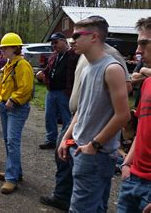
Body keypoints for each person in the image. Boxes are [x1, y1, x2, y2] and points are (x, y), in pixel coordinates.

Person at [40, 39, 133, 211]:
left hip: (91, 126)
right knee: (64, 152)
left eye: (77, 36)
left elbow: (125, 88)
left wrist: (96, 107)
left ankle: (67, 196)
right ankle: (63, 195)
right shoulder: (84, 57)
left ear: (94, 37)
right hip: (76, 120)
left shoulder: (111, 57)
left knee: (83, 169)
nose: (72, 41)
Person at [0, 32, 34, 194]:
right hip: (4, 106)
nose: (2, 50)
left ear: (15, 48)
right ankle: (16, 171)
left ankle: (12, 178)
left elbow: (26, 87)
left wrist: (14, 100)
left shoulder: (23, 65)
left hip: (17, 108)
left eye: (5, 47)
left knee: (12, 141)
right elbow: (0, 88)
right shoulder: (7, 65)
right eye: (2, 47)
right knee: (8, 141)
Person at [117, 16, 151, 213]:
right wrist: (127, 163)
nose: (138, 51)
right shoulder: (146, 84)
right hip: (132, 178)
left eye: (144, 43)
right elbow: (141, 132)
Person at [36, 33, 79, 149]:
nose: (53, 45)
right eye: (52, 43)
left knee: (67, 119)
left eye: (56, 42)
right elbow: (47, 69)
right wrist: (42, 73)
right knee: (49, 117)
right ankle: (51, 140)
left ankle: (66, 142)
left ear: (64, 41)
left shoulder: (74, 55)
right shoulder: (54, 55)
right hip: (51, 91)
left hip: (65, 92)